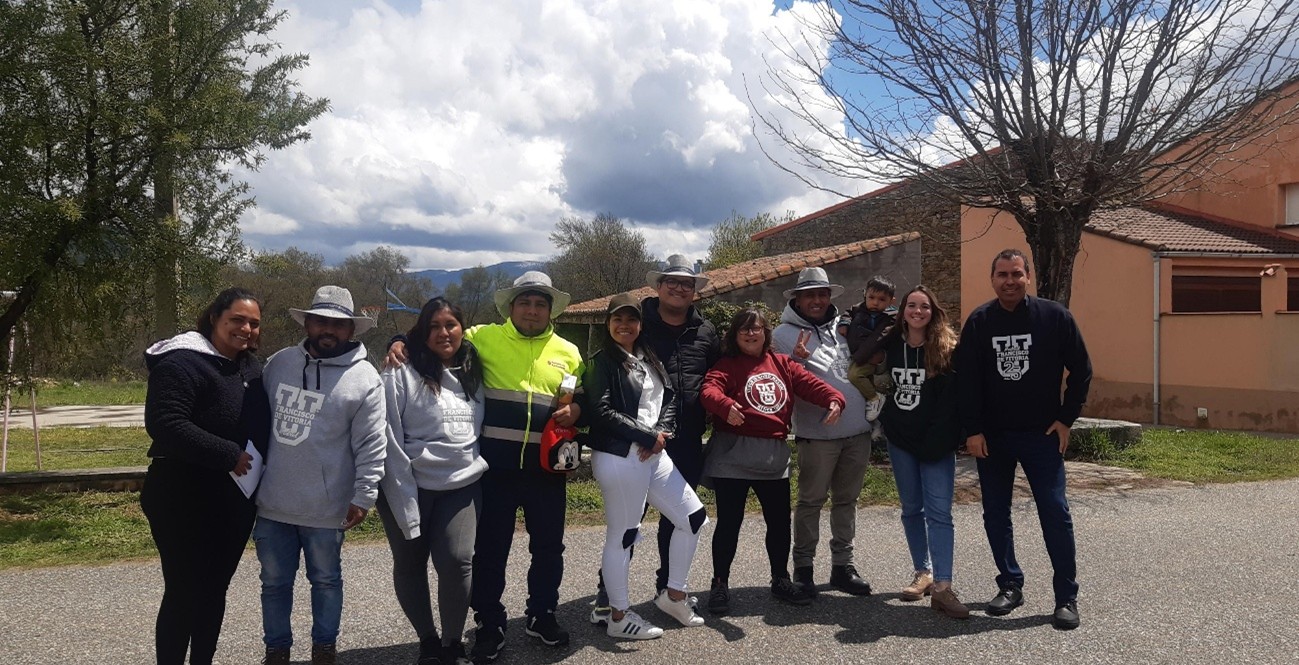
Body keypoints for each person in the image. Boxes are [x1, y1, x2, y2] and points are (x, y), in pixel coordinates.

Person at [387, 271, 583, 662]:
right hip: (495, 470)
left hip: (547, 471)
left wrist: (579, 408)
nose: (531, 309)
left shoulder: (569, 351)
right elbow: (439, 335)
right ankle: (489, 623)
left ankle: (541, 614)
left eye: (540, 304)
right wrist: (397, 341)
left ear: (551, 311)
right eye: (524, 302)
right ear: (510, 307)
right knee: (490, 551)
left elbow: (584, 400)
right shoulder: (482, 337)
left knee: (549, 548)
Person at [958, 248, 1092, 631]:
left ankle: (1066, 596)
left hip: (1041, 435)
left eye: (1016, 273)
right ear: (993, 279)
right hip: (993, 439)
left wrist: (1066, 418)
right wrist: (972, 430)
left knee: (1055, 512)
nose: (1009, 281)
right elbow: (966, 381)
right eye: (1002, 274)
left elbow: (1082, 369)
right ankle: (1010, 584)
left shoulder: (1054, 317)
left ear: (1028, 276)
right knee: (995, 515)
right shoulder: (980, 321)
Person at [255, 286, 388, 665]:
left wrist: (365, 494)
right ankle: (276, 651)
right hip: (273, 503)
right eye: (320, 321)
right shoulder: (278, 364)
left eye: (338, 323)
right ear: (308, 323)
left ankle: (324, 649)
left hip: (328, 507)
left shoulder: (365, 378)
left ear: (351, 329)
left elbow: (371, 443)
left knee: (326, 582)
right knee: (273, 585)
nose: (328, 329)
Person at [141, 287, 271, 665]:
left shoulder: (250, 367)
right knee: (183, 591)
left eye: (254, 323)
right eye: (237, 320)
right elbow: (165, 424)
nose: (246, 329)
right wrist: (228, 454)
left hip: (232, 499)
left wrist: (398, 342)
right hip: (181, 495)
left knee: (215, 590)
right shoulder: (181, 362)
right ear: (214, 318)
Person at [590, 255, 721, 624]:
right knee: (628, 524)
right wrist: (646, 434)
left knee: (684, 518)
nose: (680, 288)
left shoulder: (706, 331)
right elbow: (606, 394)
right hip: (630, 444)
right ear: (658, 286)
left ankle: (669, 590)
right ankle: (609, 599)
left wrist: (664, 431)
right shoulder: (638, 325)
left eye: (687, 284)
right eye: (673, 282)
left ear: (695, 291)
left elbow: (705, 380)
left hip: (682, 437)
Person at [700, 308, 844, 613]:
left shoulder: (783, 363)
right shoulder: (727, 365)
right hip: (733, 456)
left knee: (779, 524)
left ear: (767, 333)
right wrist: (724, 405)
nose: (751, 334)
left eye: (757, 328)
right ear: (734, 336)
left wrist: (834, 399)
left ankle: (780, 579)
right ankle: (720, 584)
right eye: (744, 330)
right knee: (729, 523)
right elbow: (709, 390)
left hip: (772, 457)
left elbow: (810, 384)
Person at [376, 297, 487, 665]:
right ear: (421, 333)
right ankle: (428, 641)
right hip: (407, 484)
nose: (443, 333)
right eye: (434, 326)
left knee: (458, 562)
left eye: (450, 325)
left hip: (462, 485)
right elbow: (388, 438)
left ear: (462, 329)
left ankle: (453, 643)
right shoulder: (401, 371)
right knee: (410, 564)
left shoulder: (475, 369)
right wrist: (403, 496)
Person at [771, 267, 875, 599]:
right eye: (810, 295)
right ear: (797, 299)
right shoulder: (782, 335)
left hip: (857, 432)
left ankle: (842, 566)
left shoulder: (845, 327)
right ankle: (803, 570)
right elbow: (777, 385)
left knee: (847, 501)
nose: (817, 300)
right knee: (811, 503)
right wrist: (796, 362)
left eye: (822, 294)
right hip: (817, 436)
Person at [876, 285, 969, 619]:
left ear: (933, 312)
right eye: (911, 306)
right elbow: (862, 361)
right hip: (901, 441)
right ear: (902, 311)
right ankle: (923, 573)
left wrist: (941, 440)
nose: (917, 312)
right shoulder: (889, 345)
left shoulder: (946, 348)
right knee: (911, 509)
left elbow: (952, 402)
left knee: (939, 513)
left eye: (924, 307)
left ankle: (943, 587)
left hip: (936, 443)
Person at [839, 275, 897, 439]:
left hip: (869, 357)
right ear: (865, 295)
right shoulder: (858, 309)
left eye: (881, 299)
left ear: (891, 301)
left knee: (855, 375)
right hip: (859, 354)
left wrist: (859, 357)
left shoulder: (891, 318)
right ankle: (875, 426)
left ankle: (875, 398)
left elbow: (877, 339)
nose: (875, 303)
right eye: (871, 297)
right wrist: (844, 324)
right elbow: (848, 313)